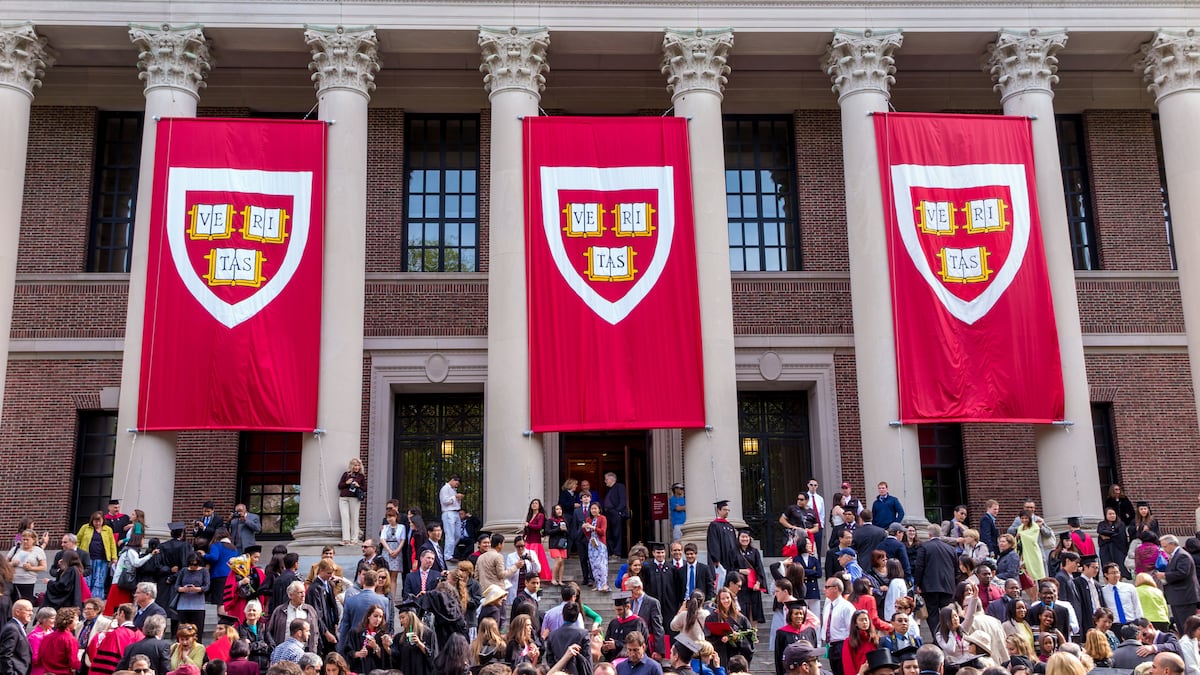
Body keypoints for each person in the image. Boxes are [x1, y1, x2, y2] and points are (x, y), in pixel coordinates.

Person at [914, 523, 958, 636]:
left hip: (930, 586)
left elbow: (919, 566)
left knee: (932, 613)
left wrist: (917, 584)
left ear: (929, 534)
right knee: (947, 613)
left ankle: (937, 636)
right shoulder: (951, 549)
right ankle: (948, 636)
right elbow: (956, 569)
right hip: (948, 586)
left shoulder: (924, 547)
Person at [1158, 535, 1199, 632]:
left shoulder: (1182, 555)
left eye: (1165, 546)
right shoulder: (1175, 556)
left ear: (1172, 544)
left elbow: (1183, 572)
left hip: (1184, 597)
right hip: (1178, 597)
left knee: (1187, 627)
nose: (1164, 549)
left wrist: (1165, 575)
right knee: (1181, 626)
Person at [707, 586, 754, 667]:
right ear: (719, 600)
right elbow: (708, 637)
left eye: (728, 598)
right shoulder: (712, 618)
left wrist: (737, 638)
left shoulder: (741, 618)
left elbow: (749, 639)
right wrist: (721, 639)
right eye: (722, 598)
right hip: (719, 656)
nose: (726, 601)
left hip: (735, 656)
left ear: (731, 599)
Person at [77, 511, 116, 600]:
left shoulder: (108, 530)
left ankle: (96, 600)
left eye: (99, 521)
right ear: (92, 520)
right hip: (87, 559)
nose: (97, 523)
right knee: (87, 579)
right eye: (95, 521)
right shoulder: (85, 527)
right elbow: (77, 540)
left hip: (102, 559)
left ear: (103, 521)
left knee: (99, 580)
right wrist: (77, 553)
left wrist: (114, 557)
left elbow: (112, 544)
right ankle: (85, 598)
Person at [822, 576, 856, 675]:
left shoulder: (846, 607)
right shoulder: (828, 606)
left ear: (836, 588)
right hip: (831, 645)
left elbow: (852, 629)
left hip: (843, 644)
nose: (824, 590)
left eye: (827, 587)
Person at [774, 602, 818, 675]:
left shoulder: (810, 631)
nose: (799, 616)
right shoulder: (782, 633)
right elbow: (778, 656)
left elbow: (815, 652)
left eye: (801, 613)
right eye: (796, 614)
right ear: (790, 616)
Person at [734, 530, 766, 627]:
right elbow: (730, 568)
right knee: (742, 609)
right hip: (740, 586)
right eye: (742, 537)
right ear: (738, 538)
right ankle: (743, 630)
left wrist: (758, 582)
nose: (745, 539)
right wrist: (740, 571)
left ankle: (753, 631)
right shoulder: (733, 552)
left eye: (746, 537)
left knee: (754, 610)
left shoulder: (754, 552)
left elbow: (759, 568)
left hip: (753, 586)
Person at [603, 595, 649, 662]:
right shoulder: (613, 623)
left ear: (628, 607)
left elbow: (638, 643)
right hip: (613, 661)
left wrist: (617, 644)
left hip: (632, 661)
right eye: (616, 609)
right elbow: (607, 641)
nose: (617, 613)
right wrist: (605, 649)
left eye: (620, 610)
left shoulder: (638, 622)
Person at [708, 501, 740, 591]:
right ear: (718, 510)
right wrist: (716, 559)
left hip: (731, 560)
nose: (727, 512)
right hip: (721, 561)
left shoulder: (730, 526)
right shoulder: (714, 525)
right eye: (725, 510)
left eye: (728, 510)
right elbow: (713, 543)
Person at [392, 610, 435, 675]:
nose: (401, 621)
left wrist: (419, 643)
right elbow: (396, 658)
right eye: (400, 618)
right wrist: (387, 647)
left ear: (411, 616)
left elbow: (432, 656)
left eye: (403, 617)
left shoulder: (427, 634)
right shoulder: (399, 637)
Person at [7, 529, 45, 602]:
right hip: (13, 581)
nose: (25, 542)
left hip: (28, 581)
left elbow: (43, 567)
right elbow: (4, 564)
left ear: (33, 540)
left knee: (26, 602)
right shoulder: (15, 549)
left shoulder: (38, 550)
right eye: (23, 539)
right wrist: (12, 563)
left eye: (27, 540)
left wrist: (31, 568)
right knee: (13, 602)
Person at [524, 499, 554, 582]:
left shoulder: (540, 515)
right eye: (533, 503)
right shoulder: (530, 516)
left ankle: (536, 575)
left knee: (535, 558)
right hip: (528, 540)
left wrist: (529, 525)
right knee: (527, 558)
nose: (534, 504)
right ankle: (529, 575)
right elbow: (527, 528)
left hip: (535, 540)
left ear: (539, 505)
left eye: (536, 503)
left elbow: (539, 526)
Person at [338, 458, 367, 545]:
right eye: (355, 465)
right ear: (351, 466)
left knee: (354, 518)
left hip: (354, 498)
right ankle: (346, 539)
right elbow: (339, 486)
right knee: (345, 517)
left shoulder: (361, 476)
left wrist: (358, 485)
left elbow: (365, 488)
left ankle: (354, 539)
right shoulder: (346, 474)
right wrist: (347, 482)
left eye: (358, 465)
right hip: (343, 498)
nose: (356, 467)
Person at [0, 598, 32, 675]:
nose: (31, 613)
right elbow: (5, 655)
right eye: (28, 610)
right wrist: (11, 673)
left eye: (31, 611)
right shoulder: (12, 628)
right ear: (17, 612)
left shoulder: (19, 627)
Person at [583, 503, 610, 592]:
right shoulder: (588, 519)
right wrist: (585, 528)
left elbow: (603, 531)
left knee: (601, 564)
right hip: (592, 543)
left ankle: (604, 584)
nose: (593, 510)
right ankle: (598, 585)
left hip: (600, 543)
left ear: (599, 509)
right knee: (594, 565)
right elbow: (587, 534)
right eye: (592, 509)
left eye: (595, 508)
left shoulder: (602, 518)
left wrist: (593, 527)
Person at [1098, 508, 1131, 578]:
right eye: (1110, 514)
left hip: (1118, 548)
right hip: (1106, 550)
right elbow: (1100, 532)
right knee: (1107, 568)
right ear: (1106, 515)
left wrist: (1109, 536)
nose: (1112, 515)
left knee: (1119, 568)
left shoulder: (1120, 524)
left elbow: (1119, 536)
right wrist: (1113, 533)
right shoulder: (1101, 524)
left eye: (1113, 514)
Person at [1015, 511, 1048, 582]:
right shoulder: (1020, 528)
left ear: (1029, 518)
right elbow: (1017, 541)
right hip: (1023, 554)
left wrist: (1021, 535)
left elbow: (1033, 539)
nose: (1024, 520)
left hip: (1033, 553)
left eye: (1026, 518)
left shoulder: (1035, 527)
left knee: (1036, 574)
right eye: (1022, 518)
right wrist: (1017, 537)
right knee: (1026, 575)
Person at [440, 475, 465, 561]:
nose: (456, 486)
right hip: (448, 512)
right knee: (450, 534)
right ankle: (448, 555)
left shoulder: (453, 490)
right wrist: (455, 497)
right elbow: (444, 501)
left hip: (456, 512)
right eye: (456, 483)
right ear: (453, 480)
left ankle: (450, 552)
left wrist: (458, 498)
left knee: (457, 535)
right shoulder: (445, 488)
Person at [545, 504, 570, 586]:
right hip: (554, 543)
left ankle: (560, 580)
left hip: (562, 543)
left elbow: (568, 533)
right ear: (554, 511)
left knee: (562, 562)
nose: (559, 511)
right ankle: (553, 579)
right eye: (557, 509)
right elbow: (547, 531)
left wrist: (565, 530)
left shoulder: (564, 520)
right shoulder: (550, 521)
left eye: (560, 509)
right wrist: (559, 529)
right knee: (558, 559)